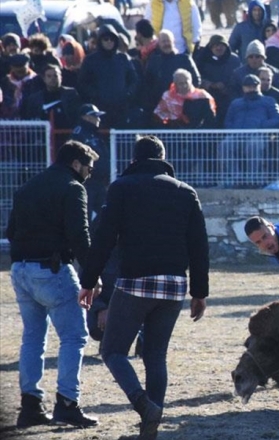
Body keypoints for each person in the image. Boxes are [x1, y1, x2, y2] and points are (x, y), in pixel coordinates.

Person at [78, 135, 209, 440]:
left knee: (112, 351)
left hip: (135, 282)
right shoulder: (186, 192)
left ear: (134, 159)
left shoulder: (122, 188)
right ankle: (149, 431)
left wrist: (88, 282)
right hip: (175, 285)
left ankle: (142, 403)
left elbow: (104, 238)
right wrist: (199, 292)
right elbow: (199, 246)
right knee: (155, 355)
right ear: (163, 158)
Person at [7, 140, 100, 429]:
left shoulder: (28, 187)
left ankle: (30, 405)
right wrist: (91, 276)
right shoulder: (73, 188)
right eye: (89, 168)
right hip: (52, 268)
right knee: (74, 336)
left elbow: (10, 230)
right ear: (76, 164)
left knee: (33, 337)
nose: (90, 173)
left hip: (20, 268)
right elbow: (80, 235)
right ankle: (67, 403)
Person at [78, 24, 138, 129]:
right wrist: (94, 95)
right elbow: (82, 83)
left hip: (121, 109)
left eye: (112, 39)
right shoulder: (90, 60)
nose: (109, 41)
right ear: (100, 41)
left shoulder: (123, 58)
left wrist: (127, 94)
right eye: (106, 39)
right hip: (99, 110)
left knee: (120, 139)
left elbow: (134, 80)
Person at [142, 30, 201, 118]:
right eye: (163, 41)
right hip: (161, 108)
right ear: (159, 44)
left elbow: (196, 81)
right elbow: (147, 84)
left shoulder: (185, 59)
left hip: (184, 107)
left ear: (173, 42)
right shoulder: (153, 61)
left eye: (168, 41)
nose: (166, 44)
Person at [21, 64, 82, 130]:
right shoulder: (35, 99)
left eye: (55, 76)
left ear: (61, 77)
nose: (53, 79)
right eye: (49, 76)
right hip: (43, 134)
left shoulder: (71, 94)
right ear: (44, 79)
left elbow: (76, 117)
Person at [195, 34, 240, 123]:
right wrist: (211, 85)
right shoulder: (202, 59)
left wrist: (226, 87)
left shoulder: (234, 60)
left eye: (222, 45)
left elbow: (238, 77)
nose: (219, 48)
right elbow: (197, 78)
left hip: (228, 98)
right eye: (216, 45)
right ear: (211, 47)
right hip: (208, 98)